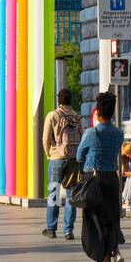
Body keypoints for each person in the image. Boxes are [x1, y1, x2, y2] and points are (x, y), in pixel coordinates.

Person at [76, 91, 125, 262]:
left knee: (94, 222)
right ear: (112, 113)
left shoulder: (91, 133)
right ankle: (115, 252)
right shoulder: (119, 133)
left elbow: (80, 155)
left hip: (95, 180)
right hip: (113, 179)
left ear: (97, 113)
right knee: (111, 219)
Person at [41, 88, 83, 240]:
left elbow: (46, 139)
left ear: (59, 100)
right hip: (73, 160)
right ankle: (68, 230)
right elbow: (82, 136)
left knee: (54, 193)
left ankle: (51, 228)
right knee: (71, 194)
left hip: (56, 158)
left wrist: (48, 154)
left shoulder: (53, 115)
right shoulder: (77, 117)